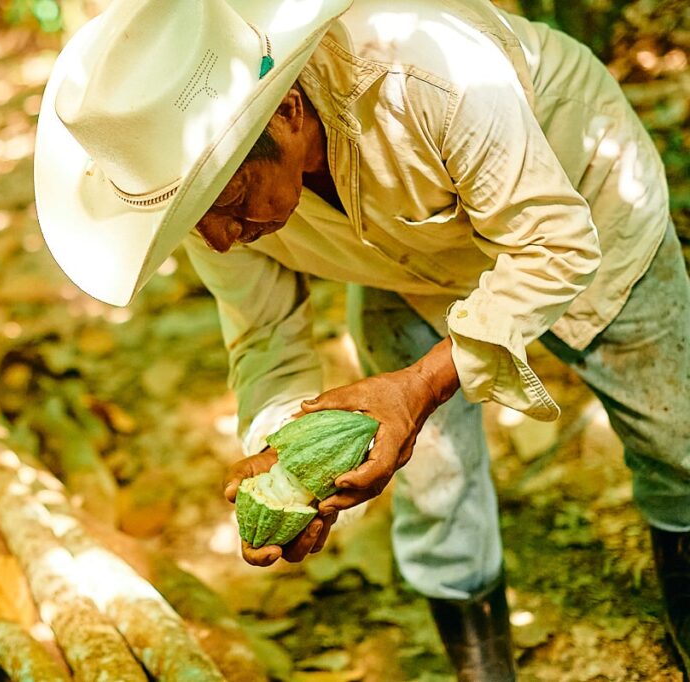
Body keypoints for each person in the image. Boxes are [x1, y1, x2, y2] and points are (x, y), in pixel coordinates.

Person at [33, 0, 690, 678]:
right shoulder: (206, 203)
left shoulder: (428, 76)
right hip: (399, 264)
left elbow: (554, 241)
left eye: (230, 207)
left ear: (286, 111)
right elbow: (264, 338)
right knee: (430, 476)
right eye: (199, 223)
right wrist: (285, 456)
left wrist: (416, 386)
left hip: (578, 201)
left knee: (678, 440)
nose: (221, 240)